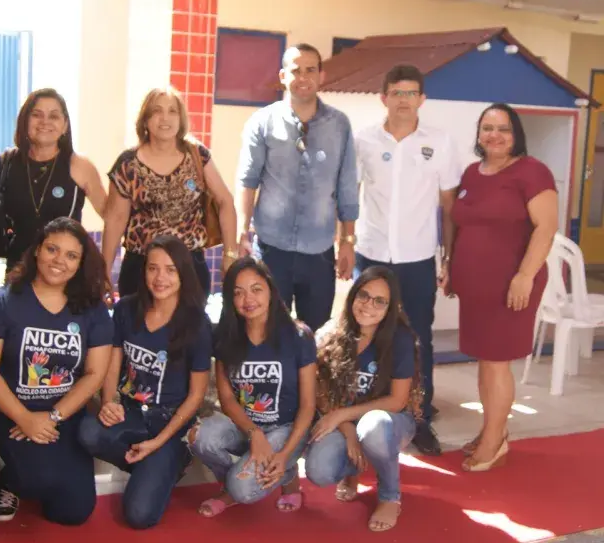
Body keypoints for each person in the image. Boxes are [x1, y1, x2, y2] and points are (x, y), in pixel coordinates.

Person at [0, 217, 113, 523]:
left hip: (64, 412)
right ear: (37, 250)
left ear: (80, 263)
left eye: (71, 255)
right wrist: (24, 417)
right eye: (52, 249)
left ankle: (41, 469)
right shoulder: (1, 303)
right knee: (38, 480)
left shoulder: (92, 310)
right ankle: (10, 478)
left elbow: (94, 374)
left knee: (74, 512)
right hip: (11, 411)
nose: (59, 260)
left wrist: (53, 417)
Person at [353, 64, 463, 456]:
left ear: (422, 99)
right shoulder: (363, 139)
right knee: (361, 336)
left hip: (417, 258)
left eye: (411, 93)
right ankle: (355, 412)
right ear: (383, 97)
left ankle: (419, 418)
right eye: (396, 92)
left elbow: (449, 206)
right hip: (370, 253)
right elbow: (348, 197)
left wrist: (448, 256)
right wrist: (344, 244)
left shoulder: (441, 142)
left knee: (419, 340)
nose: (404, 100)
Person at [448, 103, 557, 472]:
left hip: (511, 286)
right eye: (487, 128)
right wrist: (450, 267)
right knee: (485, 362)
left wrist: (525, 275)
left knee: (496, 364)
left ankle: (495, 442)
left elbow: (545, 228)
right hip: (475, 287)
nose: (494, 135)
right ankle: (492, 429)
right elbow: (462, 226)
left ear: (517, 135)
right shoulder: (472, 173)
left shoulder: (532, 172)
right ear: (479, 134)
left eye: (504, 129)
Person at [78, 235, 213, 529]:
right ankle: (148, 467)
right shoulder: (127, 309)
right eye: (153, 268)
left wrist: (158, 443)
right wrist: (110, 401)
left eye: (170, 269)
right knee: (87, 432)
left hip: (168, 423)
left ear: (183, 273)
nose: (160, 278)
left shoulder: (197, 323)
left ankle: (170, 460)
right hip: (131, 410)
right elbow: (113, 363)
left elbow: (196, 395)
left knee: (140, 516)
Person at [235, 43, 358, 333]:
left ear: (321, 76)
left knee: (315, 336)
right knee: (265, 329)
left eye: (310, 70)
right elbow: (247, 180)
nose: (303, 77)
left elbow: (347, 187)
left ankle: (309, 381)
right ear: (282, 76)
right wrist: (242, 232)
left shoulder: (339, 125)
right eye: (295, 71)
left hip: (319, 252)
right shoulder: (262, 122)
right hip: (271, 248)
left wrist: (348, 242)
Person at [189, 257, 316, 517]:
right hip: (246, 426)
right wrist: (254, 434)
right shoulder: (226, 337)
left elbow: (308, 405)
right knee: (200, 438)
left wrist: (285, 454)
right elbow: (226, 398)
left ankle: (286, 474)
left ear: (270, 290)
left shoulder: (298, 336)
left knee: (245, 489)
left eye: (256, 289)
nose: (249, 299)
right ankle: (232, 486)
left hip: (286, 428)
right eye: (239, 292)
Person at [305, 266, 423, 532]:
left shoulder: (400, 338)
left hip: (390, 421)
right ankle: (352, 470)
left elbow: (397, 401)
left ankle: (389, 495)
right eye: (364, 295)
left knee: (374, 428)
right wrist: (347, 431)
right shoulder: (331, 332)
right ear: (353, 296)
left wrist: (342, 416)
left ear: (391, 307)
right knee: (318, 470)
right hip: (346, 420)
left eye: (380, 301)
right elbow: (321, 392)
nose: (369, 305)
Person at [102, 86, 238, 297]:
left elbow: (225, 202)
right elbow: (115, 219)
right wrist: (104, 273)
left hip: (189, 267)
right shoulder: (127, 163)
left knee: (189, 329)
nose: (165, 118)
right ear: (145, 120)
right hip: (141, 267)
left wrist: (229, 254)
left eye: (172, 111)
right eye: (157, 111)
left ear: (181, 118)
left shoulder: (197, 155)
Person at [0, 88, 107, 270]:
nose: (45, 122)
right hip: (18, 273)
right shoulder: (7, 163)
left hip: (63, 273)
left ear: (65, 125)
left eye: (54, 116)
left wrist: (103, 265)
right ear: (25, 121)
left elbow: (113, 217)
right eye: (37, 115)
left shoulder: (80, 167)